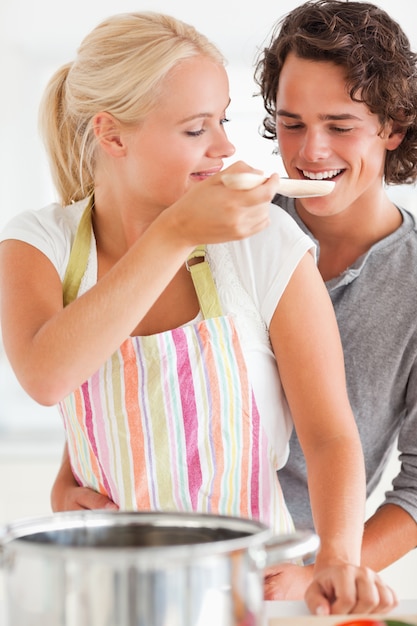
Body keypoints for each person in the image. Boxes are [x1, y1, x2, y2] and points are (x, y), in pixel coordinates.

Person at [0, 11, 395, 615]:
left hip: (243, 594)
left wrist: (337, 558)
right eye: (195, 129)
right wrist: (174, 234)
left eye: (223, 119)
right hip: (105, 595)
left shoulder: (267, 247)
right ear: (112, 135)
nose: (225, 147)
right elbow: (48, 376)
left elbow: (330, 434)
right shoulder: (38, 245)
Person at [252, 0, 417, 599]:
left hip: (299, 575)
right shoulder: (235, 229)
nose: (310, 151)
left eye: (340, 126)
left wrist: (325, 568)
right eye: (292, 123)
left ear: (393, 126)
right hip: (185, 542)